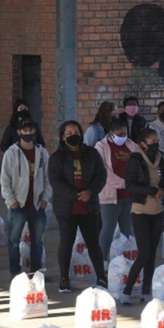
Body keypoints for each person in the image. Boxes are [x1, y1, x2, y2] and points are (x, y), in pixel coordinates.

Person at [49, 121, 108, 293]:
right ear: (62, 137)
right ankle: (64, 279)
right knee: (66, 242)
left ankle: (101, 277)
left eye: (76, 132)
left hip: (89, 206)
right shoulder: (57, 157)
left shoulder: (91, 153)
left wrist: (90, 191)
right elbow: (55, 182)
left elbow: (101, 175)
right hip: (66, 208)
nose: (73, 135)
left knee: (93, 242)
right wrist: (75, 195)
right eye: (69, 133)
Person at [121, 128, 164, 305]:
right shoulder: (135, 159)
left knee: (152, 253)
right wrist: (151, 191)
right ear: (143, 143)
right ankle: (126, 292)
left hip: (157, 211)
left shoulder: (160, 159)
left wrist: (162, 190)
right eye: (152, 142)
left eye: (157, 141)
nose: (155, 144)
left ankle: (146, 291)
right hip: (140, 210)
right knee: (144, 253)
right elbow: (129, 185)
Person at [0, 119, 51, 277]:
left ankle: (36, 272)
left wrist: (45, 199)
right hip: (18, 205)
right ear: (19, 132)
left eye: (31, 130)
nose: (28, 133)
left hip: (37, 205)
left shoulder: (42, 153)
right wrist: (11, 201)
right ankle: (15, 273)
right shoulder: (11, 153)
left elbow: (48, 178)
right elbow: (4, 180)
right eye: (25, 130)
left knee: (37, 241)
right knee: (14, 241)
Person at [95, 118, 136, 262]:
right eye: (119, 134)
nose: (123, 137)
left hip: (128, 194)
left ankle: (127, 259)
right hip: (110, 195)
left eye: (125, 133)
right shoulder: (101, 147)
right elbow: (103, 171)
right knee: (108, 228)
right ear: (111, 133)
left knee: (127, 228)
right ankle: (101, 260)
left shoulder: (131, 145)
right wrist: (124, 183)